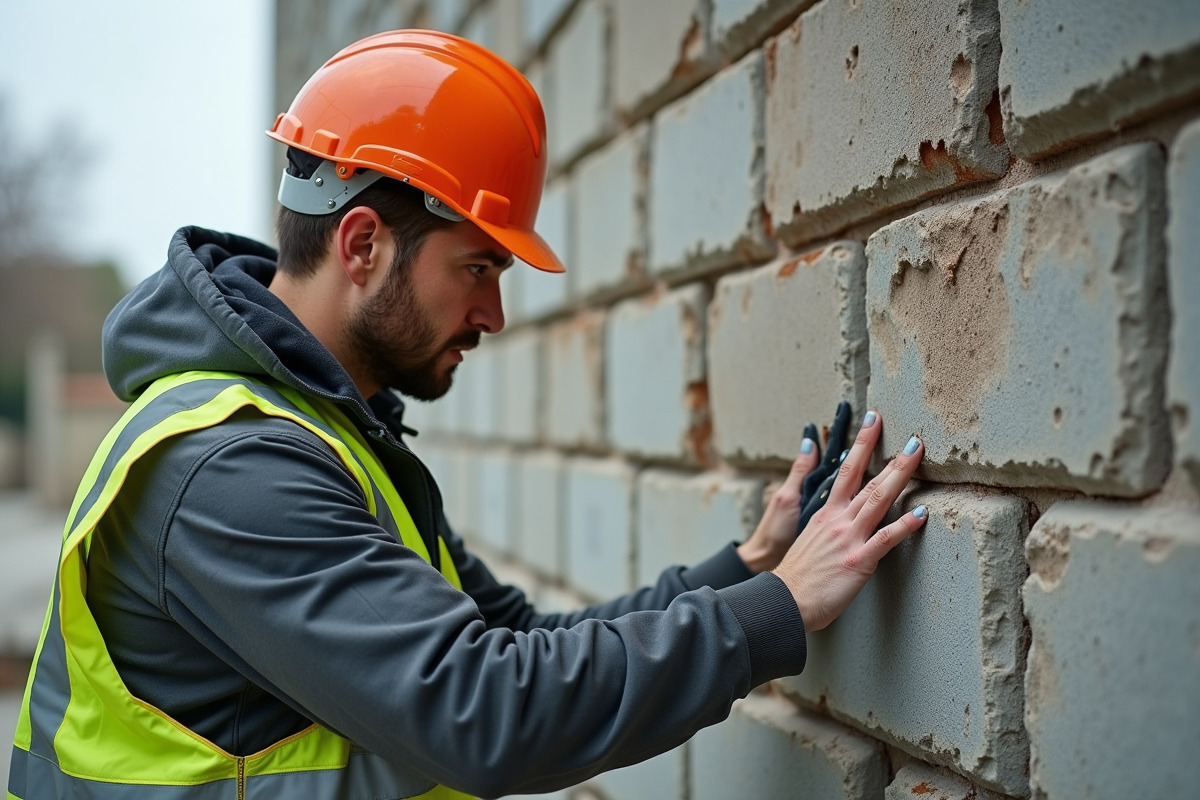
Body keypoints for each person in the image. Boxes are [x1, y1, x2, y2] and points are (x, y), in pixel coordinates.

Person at [7, 30, 928, 800]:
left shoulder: (326, 435)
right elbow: (487, 709)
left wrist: (753, 565)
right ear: (362, 244)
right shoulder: (230, 470)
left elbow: (517, 644)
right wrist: (780, 609)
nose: (493, 316)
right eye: (478, 269)